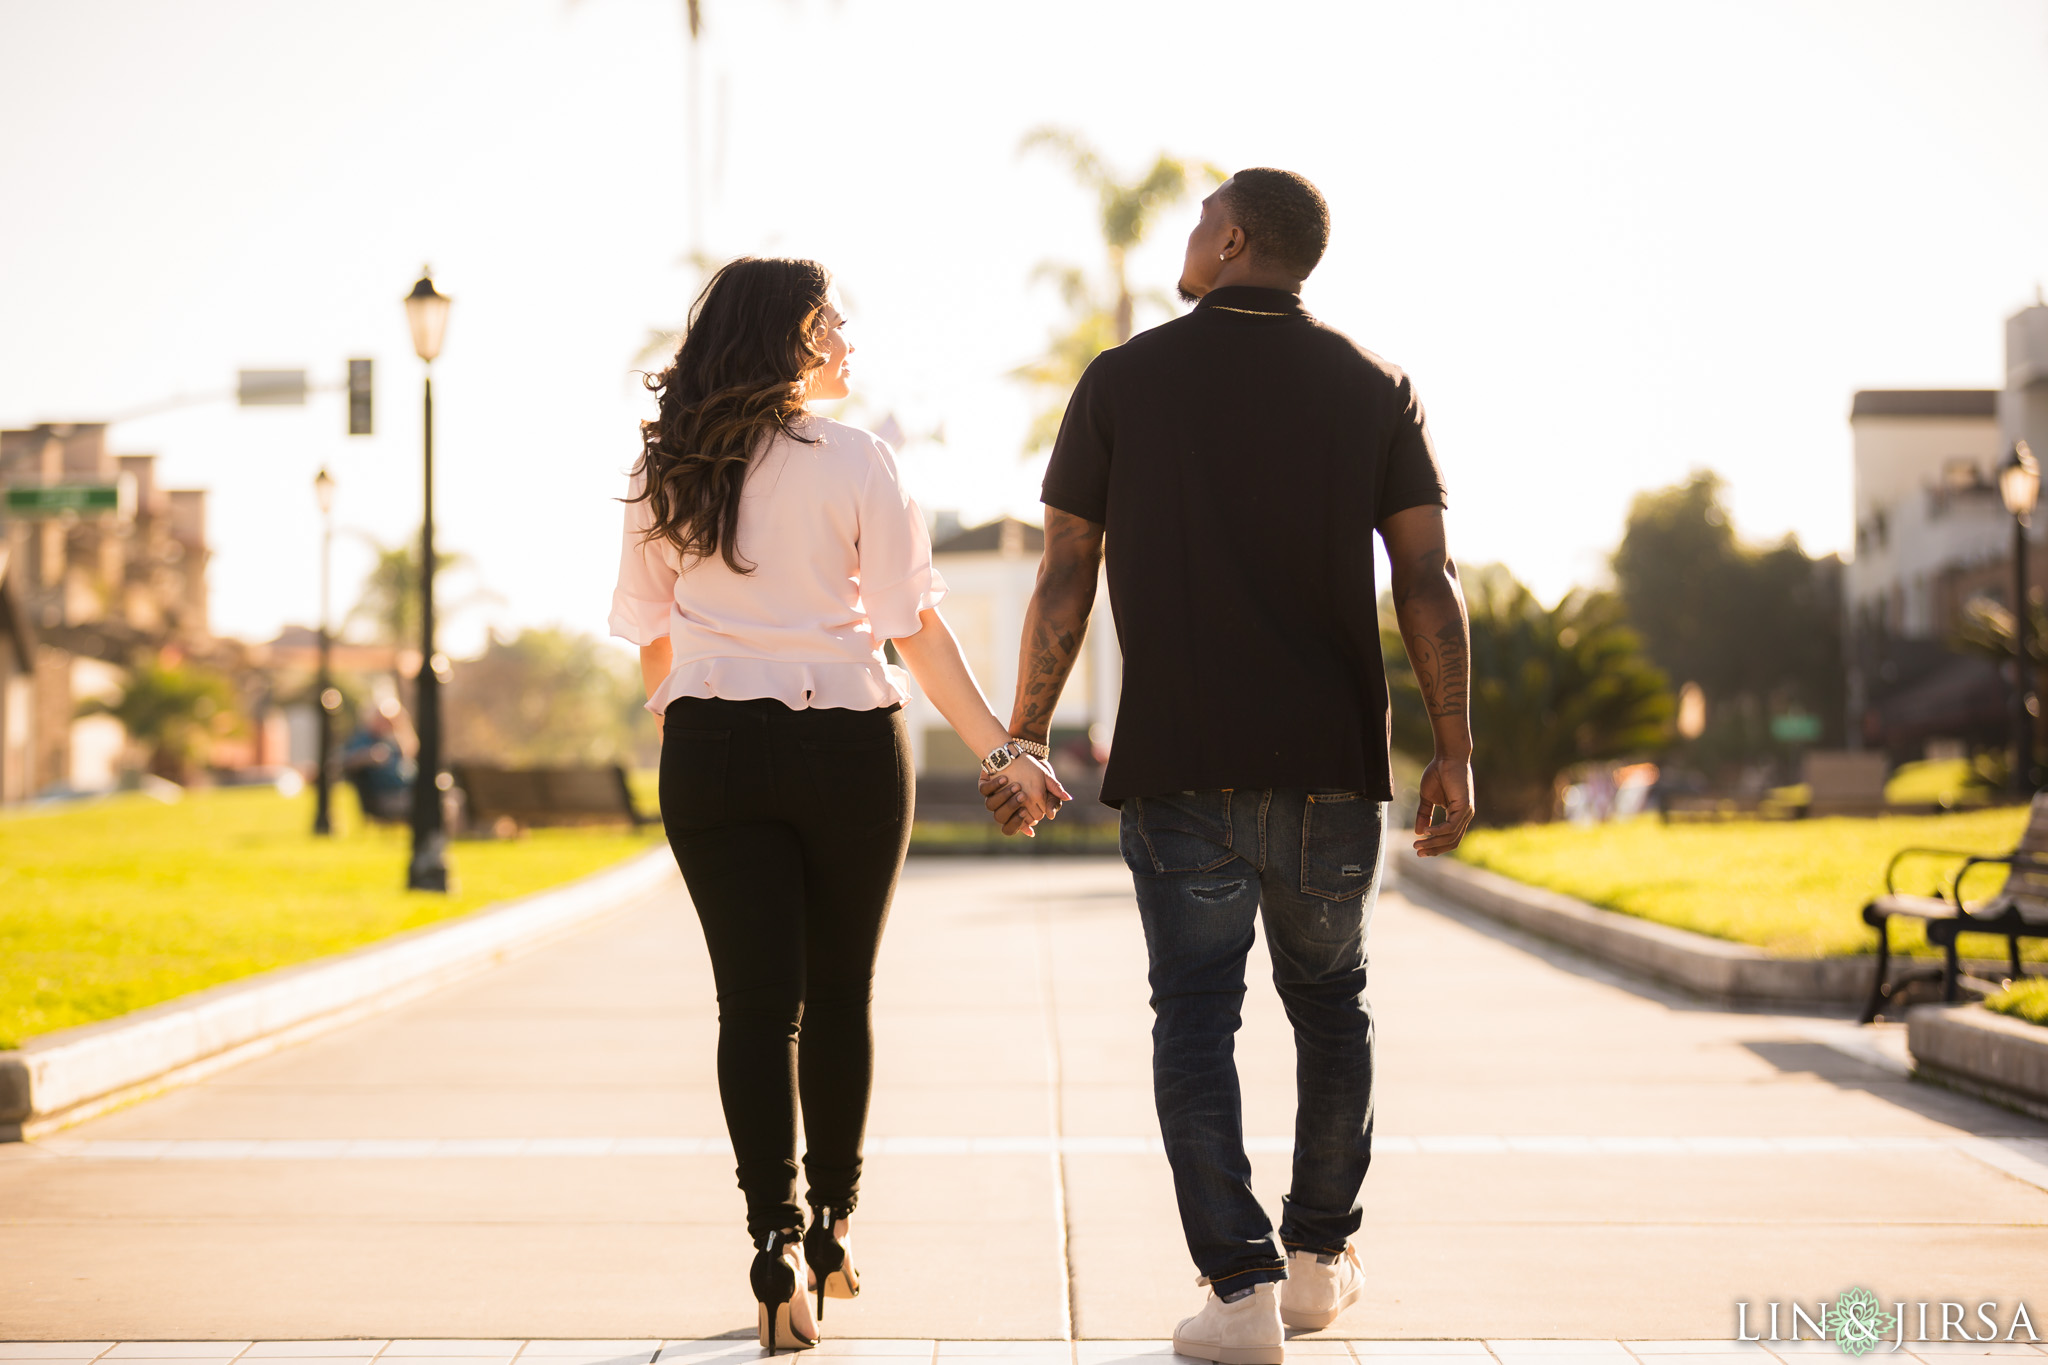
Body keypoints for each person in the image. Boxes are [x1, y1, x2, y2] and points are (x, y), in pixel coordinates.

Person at [981, 169, 1475, 1359]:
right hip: (1328, 767)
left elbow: (1063, 573)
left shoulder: (1122, 381)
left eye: (1201, 223)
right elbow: (1425, 578)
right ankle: (1315, 1262)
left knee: (1194, 1022)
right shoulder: (1375, 387)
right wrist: (1453, 748)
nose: (1187, 241)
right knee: (1330, 1007)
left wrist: (1027, 733)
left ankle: (1238, 1291)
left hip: (1179, 764)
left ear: (1236, 236)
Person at [608, 256, 1067, 1351]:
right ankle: (830, 1227)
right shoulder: (860, 461)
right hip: (849, 748)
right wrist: (1002, 750)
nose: (847, 333)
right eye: (829, 320)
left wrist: (694, 723)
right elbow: (914, 630)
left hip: (712, 747)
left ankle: (770, 1255)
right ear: (789, 340)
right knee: (839, 993)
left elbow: (648, 633)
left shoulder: (662, 465)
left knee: (752, 1008)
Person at [338, 698, 415, 823]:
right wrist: (368, 756)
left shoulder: (395, 740)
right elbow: (343, 761)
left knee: (446, 799)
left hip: (407, 789)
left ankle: (451, 835)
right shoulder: (364, 739)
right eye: (384, 719)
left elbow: (411, 755)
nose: (388, 723)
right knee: (429, 802)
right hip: (386, 796)